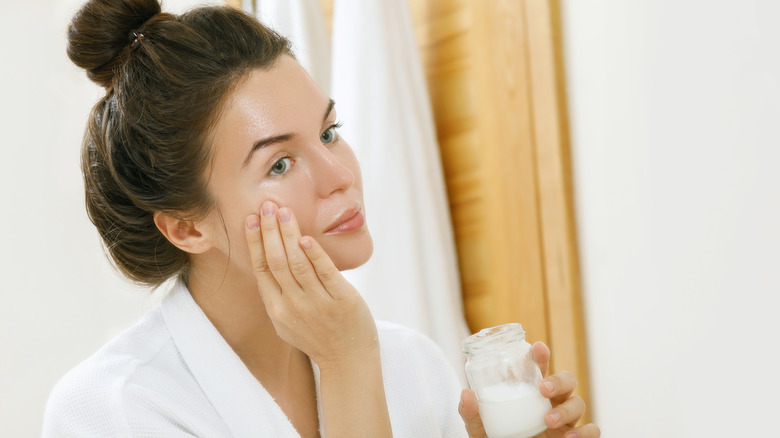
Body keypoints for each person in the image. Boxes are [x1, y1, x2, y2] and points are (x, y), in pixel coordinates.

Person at [43, 0, 600, 437]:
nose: (340, 173)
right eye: (280, 163)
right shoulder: (115, 411)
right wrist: (347, 364)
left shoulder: (414, 368)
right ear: (187, 227)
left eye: (329, 132)